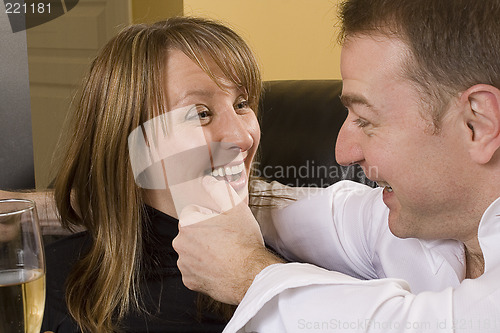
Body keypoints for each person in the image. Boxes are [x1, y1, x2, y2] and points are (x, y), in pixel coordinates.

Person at [172, 0, 500, 332]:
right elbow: (315, 213)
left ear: (477, 124)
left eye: (367, 120)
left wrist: (249, 273)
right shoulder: (420, 215)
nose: (342, 153)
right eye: (199, 113)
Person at [37, 16, 262, 333]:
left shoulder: (302, 256)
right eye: (201, 113)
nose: (242, 137)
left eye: (241, 103)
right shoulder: (50, 280)